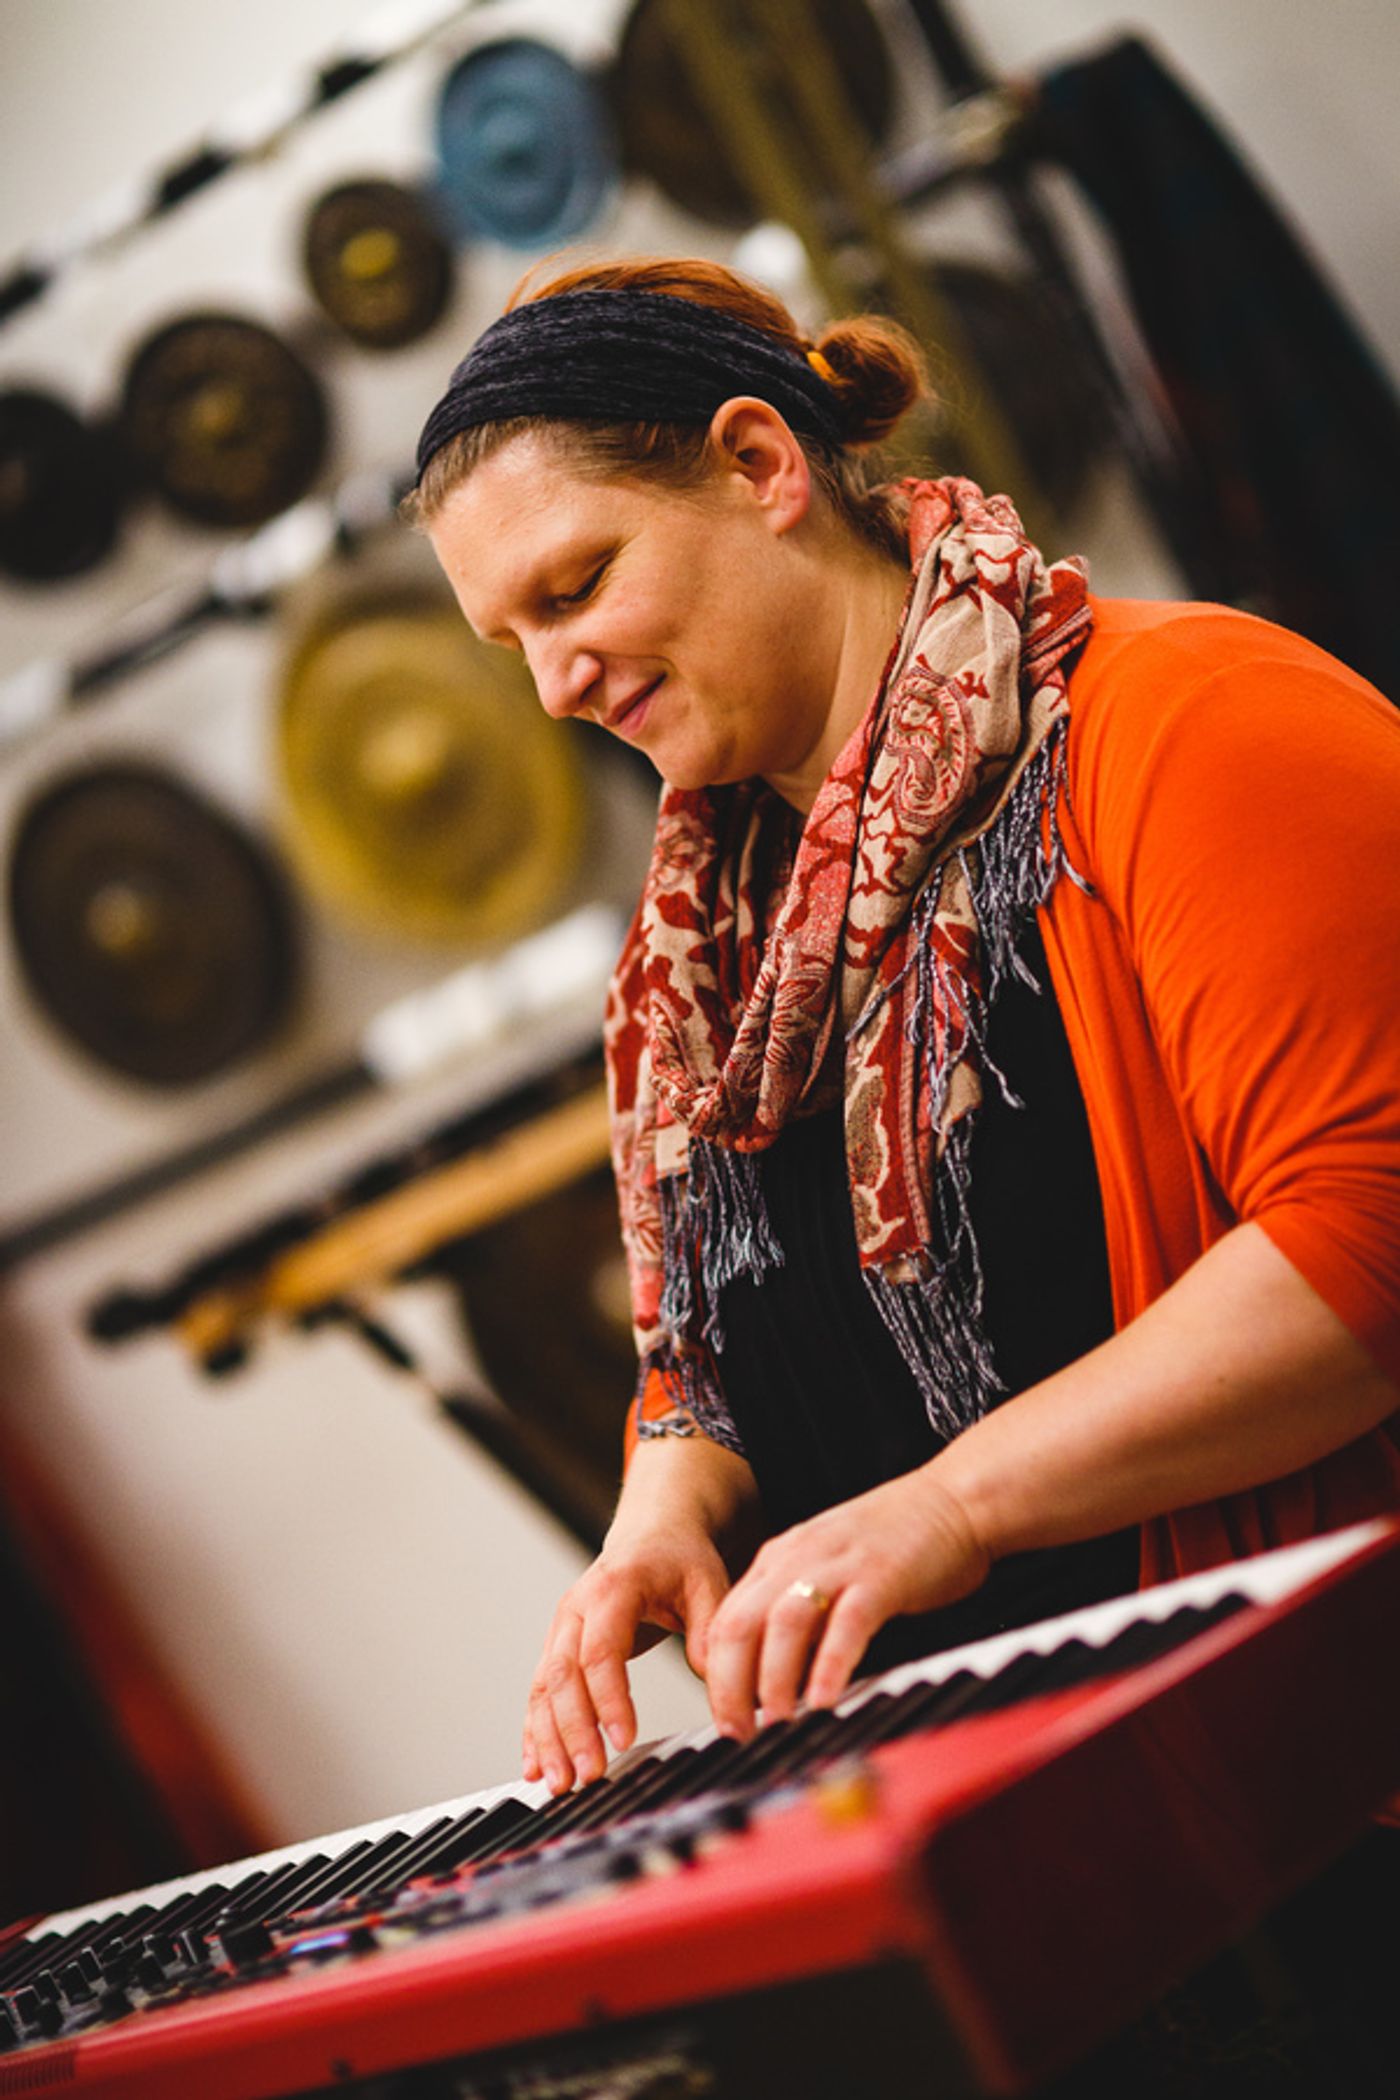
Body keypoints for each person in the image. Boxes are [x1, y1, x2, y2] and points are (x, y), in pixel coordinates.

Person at [410, 255, 1400, 1801]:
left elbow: (1369, 1236)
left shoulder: (1190, 724)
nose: (553, 685)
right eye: (510, 642)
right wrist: (667, 1502)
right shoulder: (694, 955)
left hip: (1315, 1783)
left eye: (576, 586)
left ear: (760, 466)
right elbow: (718, 1352)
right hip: (1005, 1824)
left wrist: (955, 1509)